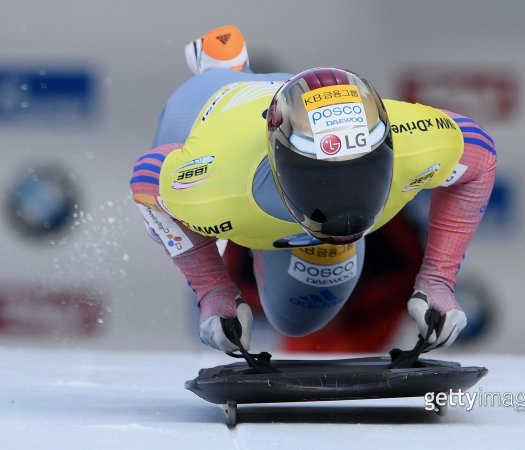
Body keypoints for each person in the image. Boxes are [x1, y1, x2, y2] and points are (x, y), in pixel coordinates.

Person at [130, 25, 497, 354]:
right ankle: (220, 67)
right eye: (321, 179)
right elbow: (148, 183)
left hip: (286, 113)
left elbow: (481, 156)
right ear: (280, 165)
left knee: (300, 319)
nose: (343, 199)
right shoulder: (214, 185)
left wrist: (437, 280)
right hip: (203, 113)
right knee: (213, 223)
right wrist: (214, 291)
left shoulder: (413, 141)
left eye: (362, 174)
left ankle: (232, 68)